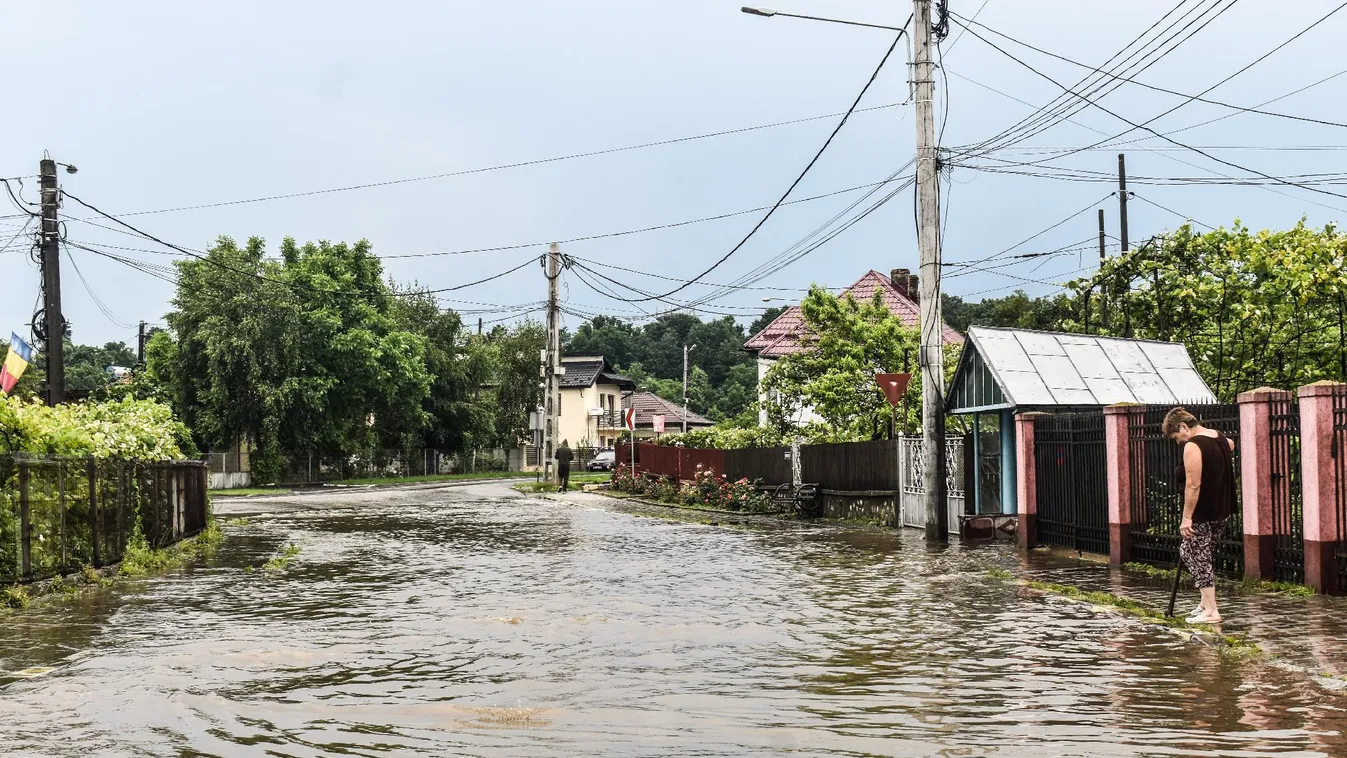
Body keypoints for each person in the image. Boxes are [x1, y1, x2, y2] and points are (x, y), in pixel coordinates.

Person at [1162, 407, 1236, 624]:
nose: (1179, 442)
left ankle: (1212, 612)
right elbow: (1230, 445)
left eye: (1177, 437)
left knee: (1199, 557)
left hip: (1202, 511)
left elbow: (1193, 485)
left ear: (1184, 427)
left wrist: (1187, 517)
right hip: (1222, 508)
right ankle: (1205, 603)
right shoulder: (1219, 437)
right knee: (1191, 552)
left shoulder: (1194, 445)